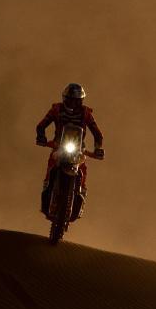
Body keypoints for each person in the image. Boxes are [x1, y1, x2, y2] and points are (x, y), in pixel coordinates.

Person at [35, 82, 104, 212]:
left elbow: (97, 134)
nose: (73, 104)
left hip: (78, 149)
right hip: (58, 146)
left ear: (81, 101)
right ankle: (47, 189)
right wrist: (41, 137)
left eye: (76, 101)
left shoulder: (86, 113)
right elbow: (41, 125)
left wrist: (98, 148)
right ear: (65, 99)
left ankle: (81, 193)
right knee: (51, 166)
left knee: (82, 169)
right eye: (71, 100)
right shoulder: (56, 110)